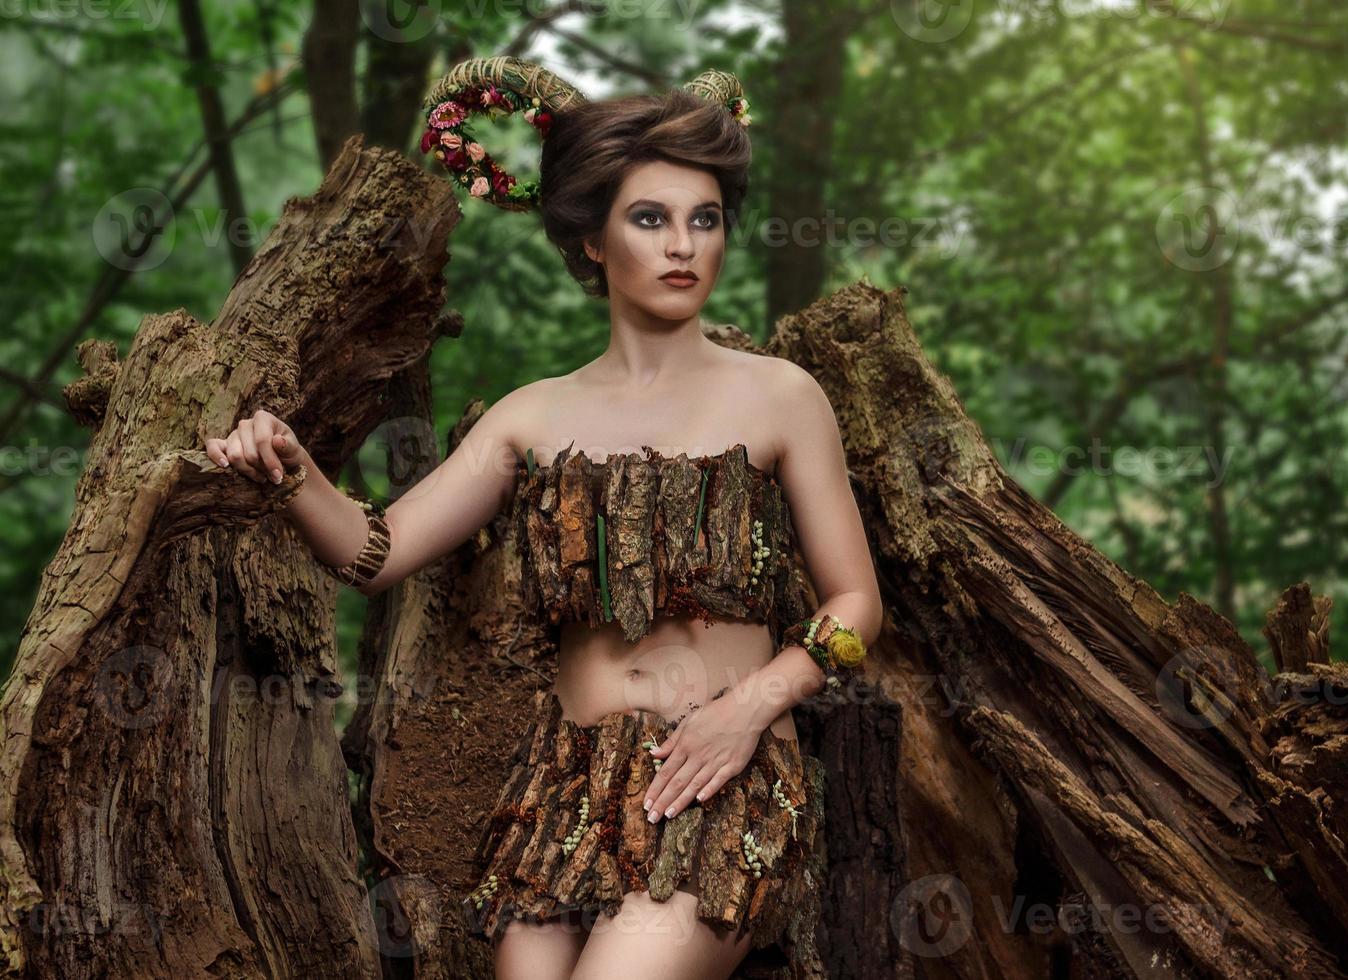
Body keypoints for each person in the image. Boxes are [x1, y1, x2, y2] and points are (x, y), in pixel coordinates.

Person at [203, 57, 882, 980]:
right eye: (650, 219)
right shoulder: (533, 416)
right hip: (559, 790)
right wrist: (292, 474)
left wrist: (749, 713)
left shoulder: (782, 398)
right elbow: (380, 550)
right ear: (594, 242)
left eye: (704, 219)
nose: (683, 245)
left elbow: (854, 605)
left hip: (715, 777)